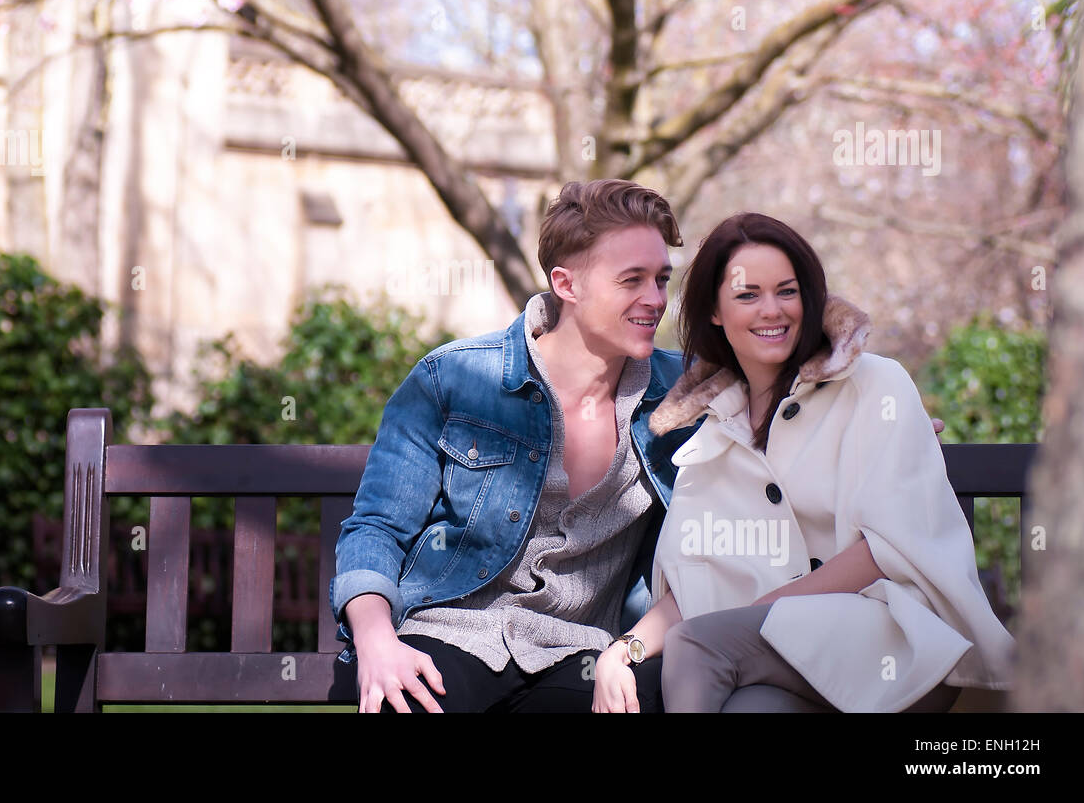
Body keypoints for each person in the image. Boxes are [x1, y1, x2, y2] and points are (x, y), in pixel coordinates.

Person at [592, 212, 1014, 713]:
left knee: (698, 646)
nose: (772, 310)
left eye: (787, 291)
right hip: (788, 656)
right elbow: (697, 584)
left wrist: (764, 613)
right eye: (748, 295)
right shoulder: (714, 434)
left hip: (897, 640)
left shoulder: (874, 385)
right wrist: (624, 650)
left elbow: (890, 545)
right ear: (714, 311)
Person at [329, 178, 703, 712]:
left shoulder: (684, 398)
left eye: (662, 279)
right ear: (566, 284)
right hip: (451, 633)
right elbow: (376, 528)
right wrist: (376, 641)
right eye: (631, 280)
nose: (655, 300)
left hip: (585, 652)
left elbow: (784, 358)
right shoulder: (453, 378)